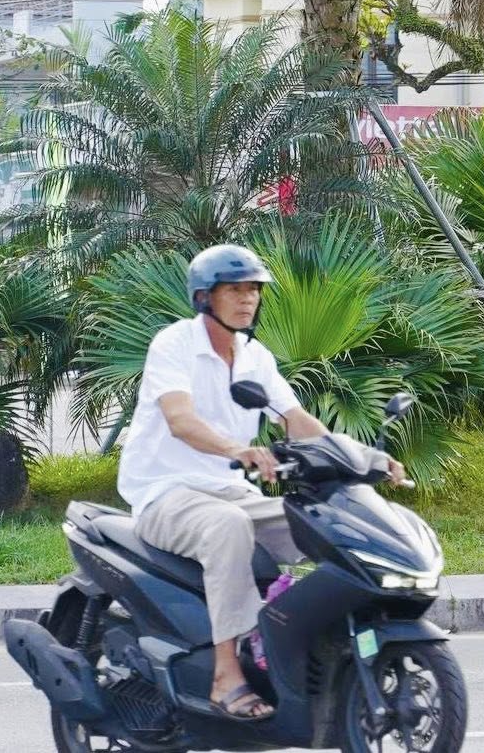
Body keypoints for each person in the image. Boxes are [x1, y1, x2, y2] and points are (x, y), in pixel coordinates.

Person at [116, 244, 404, 721]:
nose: (248, 298)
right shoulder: (174, 344)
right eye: (235, 289)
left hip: (232, 493)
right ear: (205, 297)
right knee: (227, 526)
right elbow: (180, 420)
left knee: (325, 521)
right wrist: (236, 450)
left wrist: (365, 458)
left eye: (253, 289)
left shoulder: (255, 357)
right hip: (166, 493)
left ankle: (318, 643)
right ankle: (225, 675)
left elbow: (296, 420)